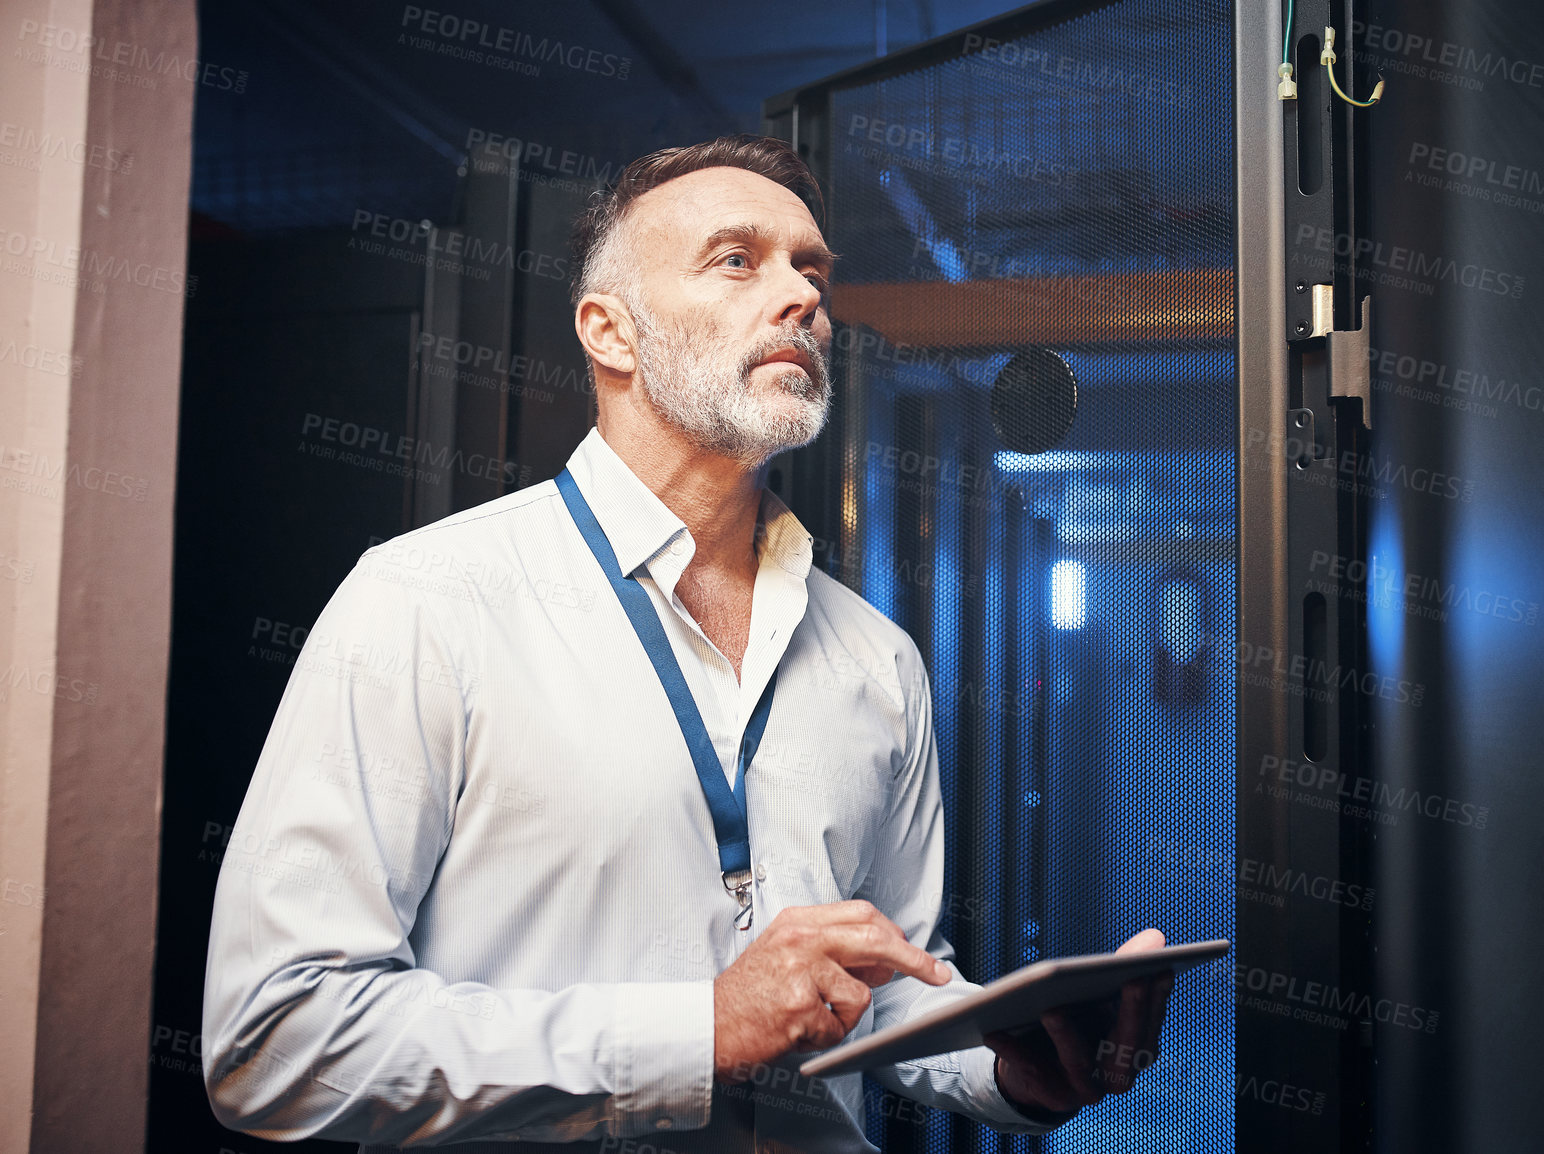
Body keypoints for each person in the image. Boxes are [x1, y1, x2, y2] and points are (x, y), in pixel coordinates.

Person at [202, 134, 1172, 1153]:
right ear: (611, 332)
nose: (801, 296)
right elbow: (272, 1036)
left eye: (813, 270)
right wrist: (695, 1031)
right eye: (737, 260)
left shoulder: (878, 661)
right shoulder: (424, 602)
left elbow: (886, 989)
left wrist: (1010, 1066)